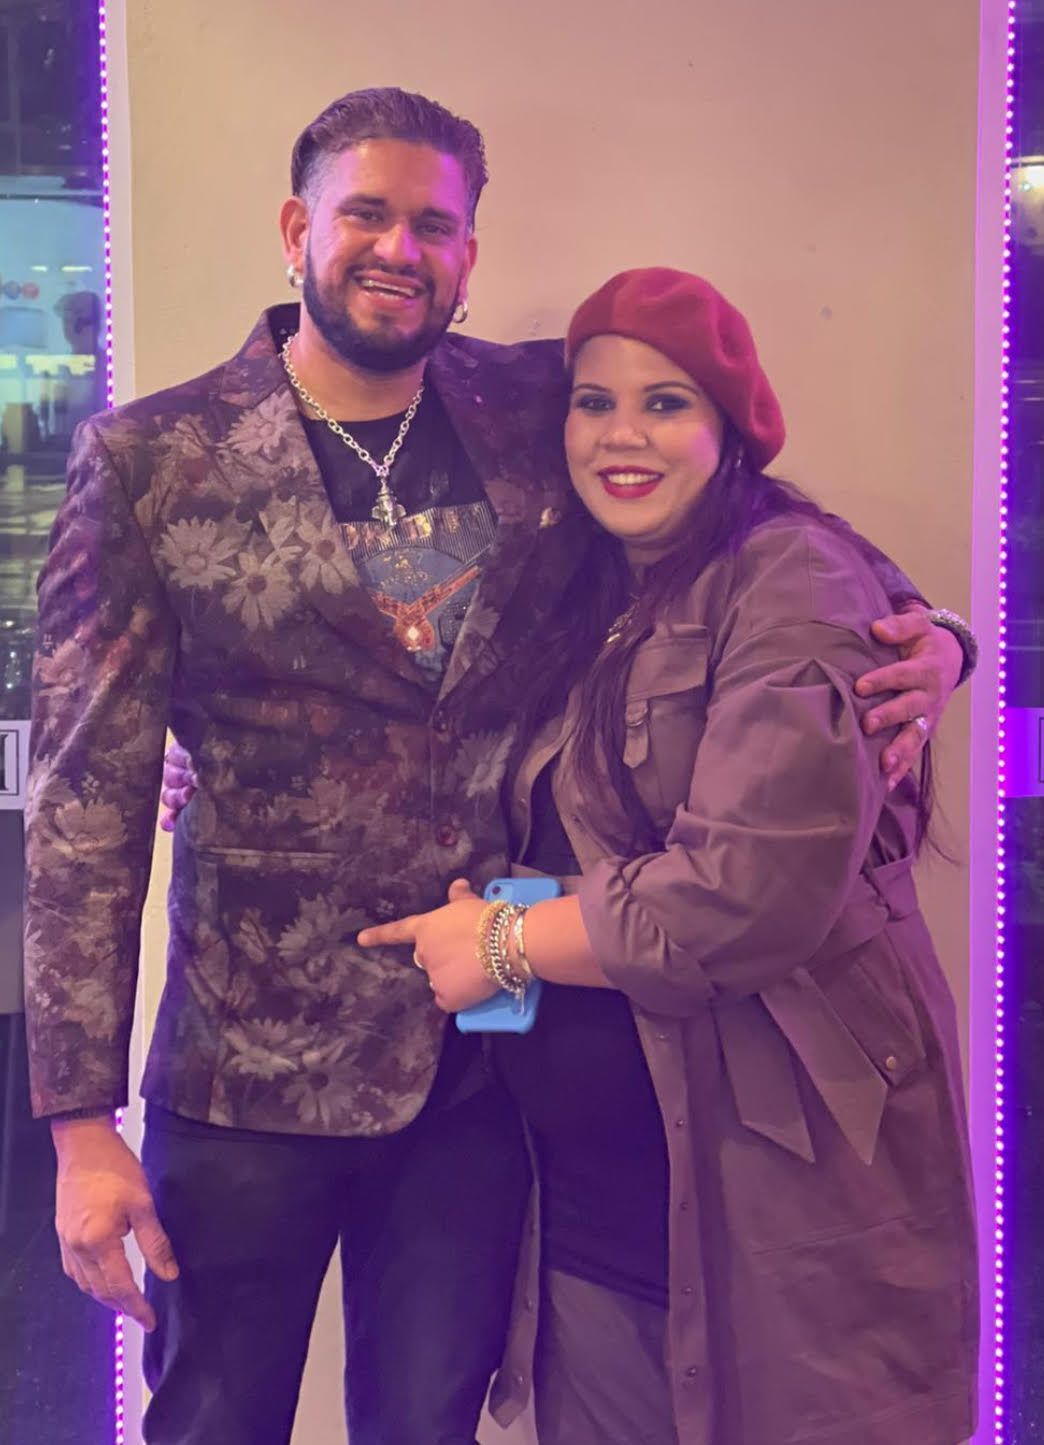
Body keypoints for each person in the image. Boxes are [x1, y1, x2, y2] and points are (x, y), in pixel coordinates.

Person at [24, 83, 970, 1445]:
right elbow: (82, 813)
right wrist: (78, 1127)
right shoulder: (153, 460)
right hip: (247, 1067)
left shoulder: (540, 406)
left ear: (471, 251)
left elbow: (754, 518)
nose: (398, 249)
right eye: (366, 213)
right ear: (299, 227)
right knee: (212, 1421)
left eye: (435, 223)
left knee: (435, 1420)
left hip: (481, 1066)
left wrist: (939, 638)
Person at [357, 269, 977, 1445]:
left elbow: (741, 897)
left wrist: (500, 940)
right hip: (585, 1214)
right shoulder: (577, 588)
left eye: (666, 401)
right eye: (594, 403)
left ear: (730, 427)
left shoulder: (790, 573)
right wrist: (212, 757)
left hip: (765, 1200)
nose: (622, 435)